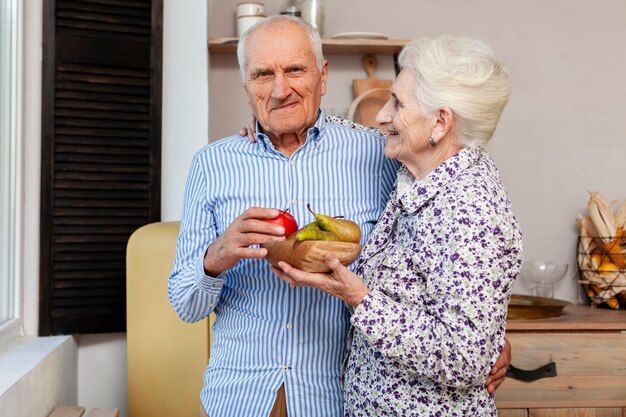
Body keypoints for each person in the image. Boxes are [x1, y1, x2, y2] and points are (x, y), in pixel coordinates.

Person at [169, 15, 510, 417]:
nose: (281, 90)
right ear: (246, 86)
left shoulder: (379, 155)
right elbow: (185, 305)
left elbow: (460, 251)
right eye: (263, 74)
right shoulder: (212, 165)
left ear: (323, 74)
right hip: (239, 395)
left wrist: (491, 336)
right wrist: (215, 257)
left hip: (335, 397)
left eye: (295, 69)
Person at [271, 35, 523, 416]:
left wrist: (358, 297)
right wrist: (274, 124)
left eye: (398, 103)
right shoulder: (419, 170)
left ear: (440, 121)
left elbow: (461, 359)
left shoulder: (471, 209)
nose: (381, 115)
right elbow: (363, 134)